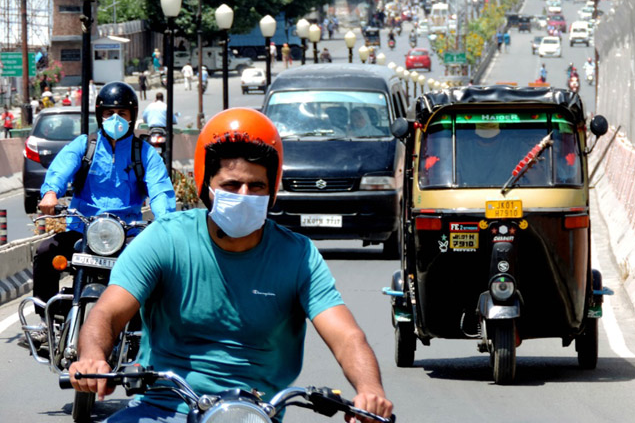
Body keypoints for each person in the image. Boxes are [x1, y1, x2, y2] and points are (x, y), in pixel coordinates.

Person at [66, 109, 393, 422]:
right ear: (206, 185)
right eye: (231, 186)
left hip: (256, 413)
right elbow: (107, 312)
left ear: (272, 190)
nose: (244, 195)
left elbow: (346, 336)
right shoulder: (165, 239)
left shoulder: (299, 256)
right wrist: (93, 356)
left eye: (257, 186)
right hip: (162, 408)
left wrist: (370, 391)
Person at [30, 83, 175, 348]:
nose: (115, 118)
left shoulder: (144, 153)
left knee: (156, 266)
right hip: (83, 230)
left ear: (132, 116)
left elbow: (160, 189)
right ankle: (45, 322)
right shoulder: (85, 145)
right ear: (100, 115)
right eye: (109, 113)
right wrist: (50, 193)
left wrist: (165, 218)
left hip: (127, 233)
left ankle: (148, 331)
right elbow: (61, 169)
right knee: (45, 251)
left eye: (122, 113)